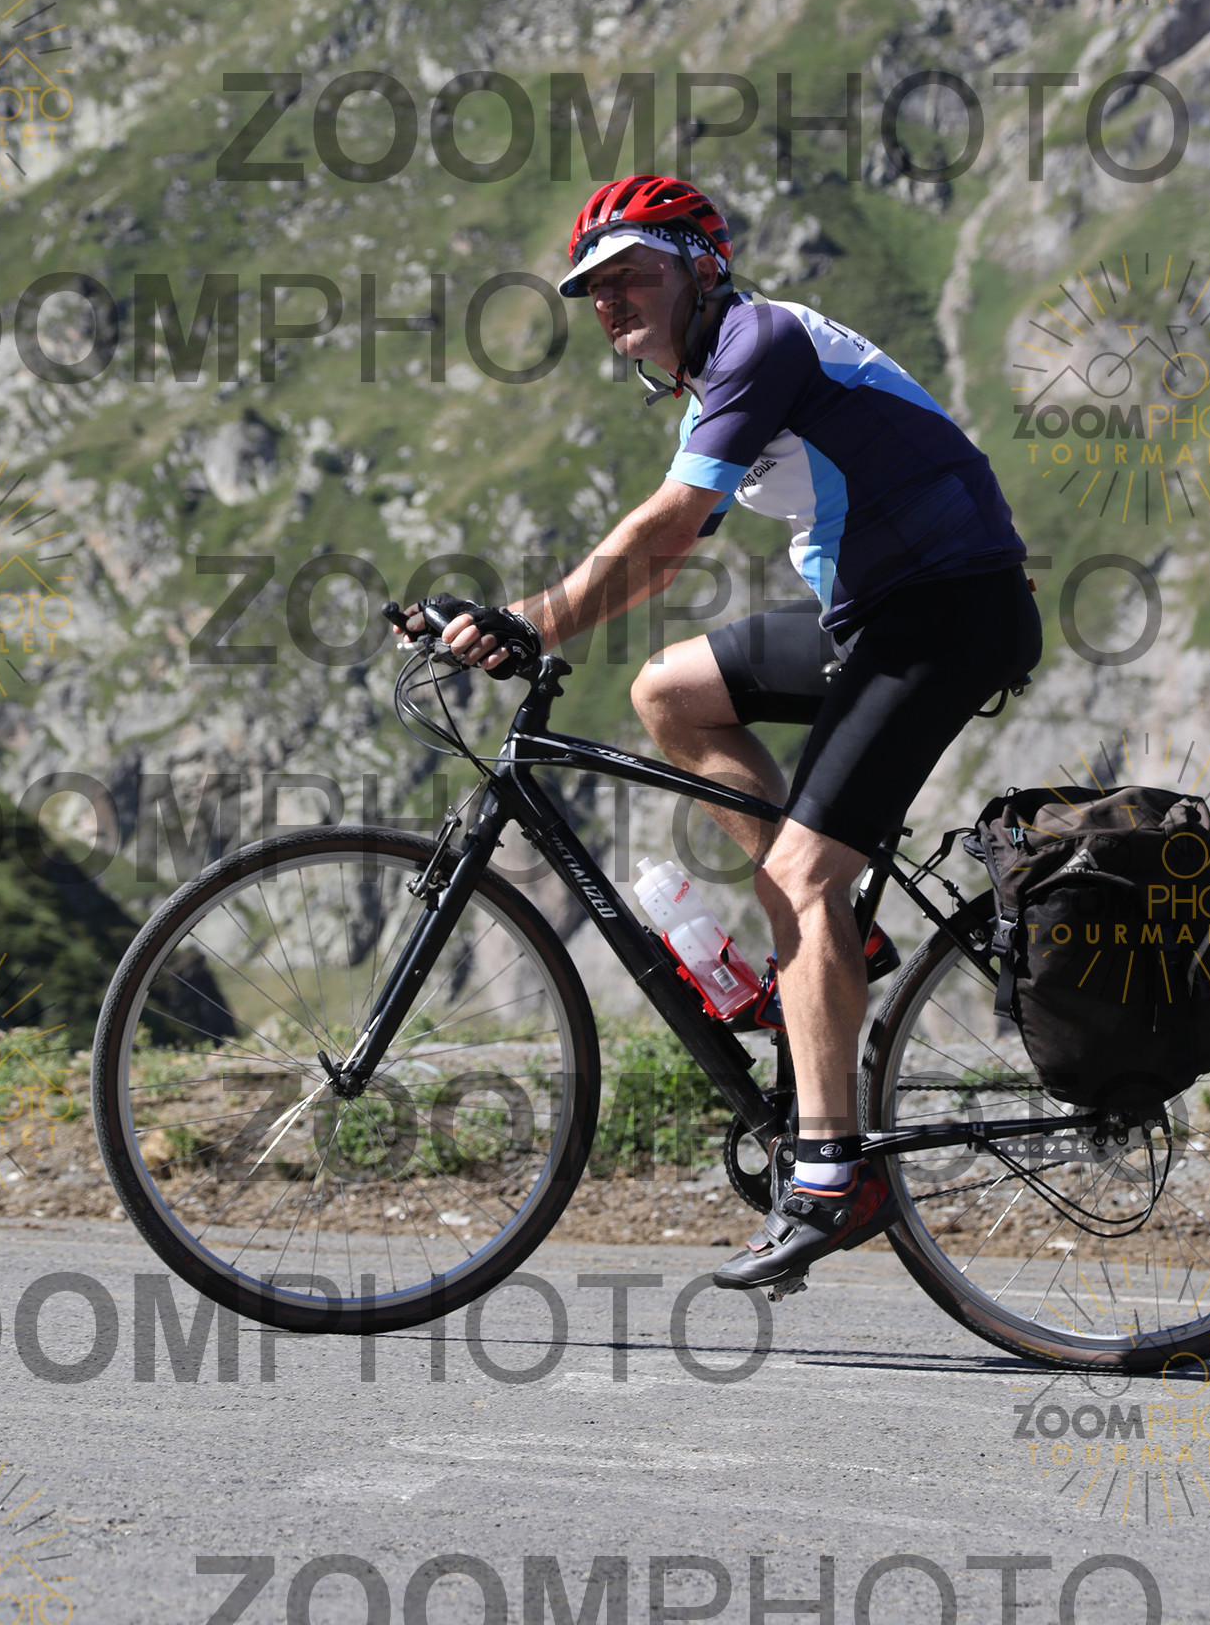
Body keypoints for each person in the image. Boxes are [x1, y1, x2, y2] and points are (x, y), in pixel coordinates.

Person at [399, 173, 1041, 1289]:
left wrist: (529, 621)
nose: (609, 302)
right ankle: (833, 946)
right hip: (875, 614)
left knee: (798, 878)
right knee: (670, 694)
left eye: (632, 275)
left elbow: (666, 535)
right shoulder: (714, 372)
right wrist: (515, 620)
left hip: (946, 612)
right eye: (593, 289)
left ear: (703, 268)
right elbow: (656, 550)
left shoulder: (759, 342)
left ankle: (833, 1177)